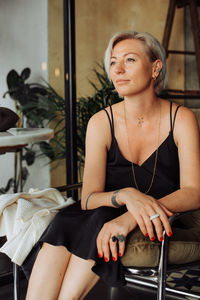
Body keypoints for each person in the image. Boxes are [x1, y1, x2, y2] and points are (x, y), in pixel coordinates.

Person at [25, 31, 200, 300]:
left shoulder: (182, 119)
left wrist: (131, 216)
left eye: (129, 60)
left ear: (156, 68)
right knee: (75, 220)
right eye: (113, 62)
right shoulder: (101, 122)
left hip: (153, 220)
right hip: (97, 215)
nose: (117, 70)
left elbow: (193, 191)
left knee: (95, 222)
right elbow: (89, 199)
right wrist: (127, 196)